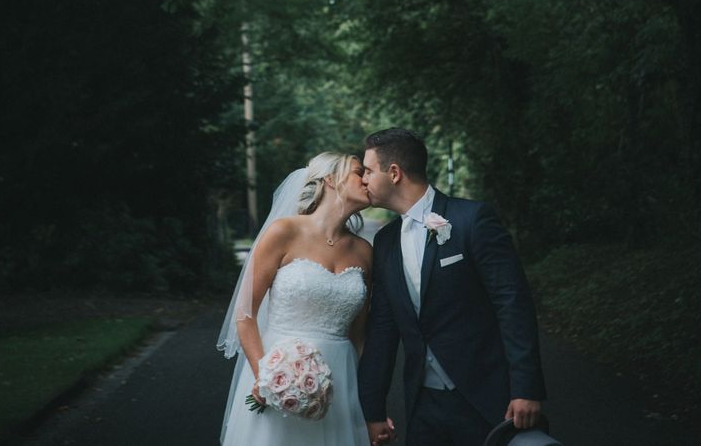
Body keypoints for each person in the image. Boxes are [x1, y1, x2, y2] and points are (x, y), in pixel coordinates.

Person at [358, 128, 547, 446]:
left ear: (394, 172)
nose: (363, 178)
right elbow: (382, 330)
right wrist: (372, 410)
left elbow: (512, 303)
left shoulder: (472, 220)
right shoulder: (386, 242)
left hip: (487, 398)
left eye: (367, 170)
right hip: (422, 407)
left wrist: (526, 388)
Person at [217, 152, 373, 446]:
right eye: (358, 171)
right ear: (330, 179)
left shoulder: (364, 251)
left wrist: (362, 392)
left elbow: (359, 334)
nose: (366, 178)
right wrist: (265, 375)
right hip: (278, 375)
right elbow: (245, 313)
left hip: (342, 381)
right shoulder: (284, 232)